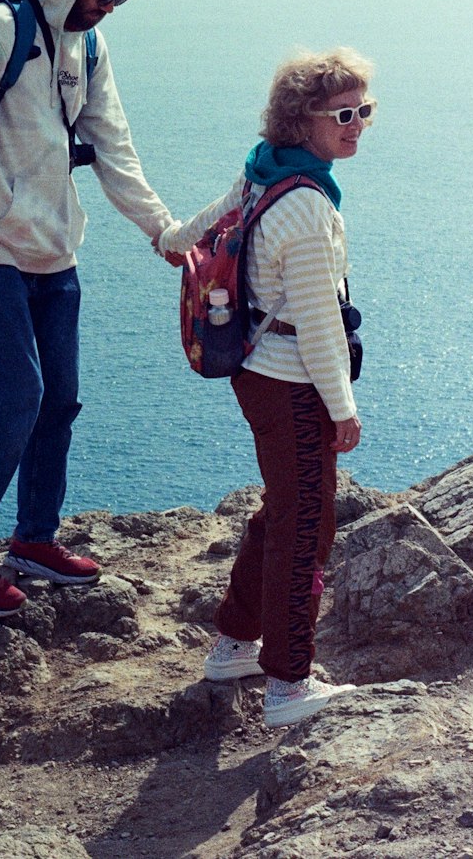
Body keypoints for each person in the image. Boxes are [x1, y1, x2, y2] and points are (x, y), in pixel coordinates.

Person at [0, 0, 176, 618]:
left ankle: (33, 539)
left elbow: (114, 147)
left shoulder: (88, 48)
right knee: (14, 399)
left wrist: (161, 229)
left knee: (59, 400)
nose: (106, 8)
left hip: (56, 250)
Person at [156, 48, 374, 728]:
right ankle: (287, 685)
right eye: (343, 113)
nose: (358, 124)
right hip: (293, 384)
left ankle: (234, 644)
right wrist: (343, 409)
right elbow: (318, 325)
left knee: (284, 509)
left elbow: (197, 230)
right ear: (300, 120)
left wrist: (169, 237)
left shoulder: (263, 174)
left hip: (256, 373)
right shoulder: (306, 208)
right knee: (306, 526)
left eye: (366, 110)